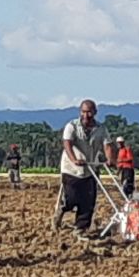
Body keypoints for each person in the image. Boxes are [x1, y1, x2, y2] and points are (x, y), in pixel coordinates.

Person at [54, 100, 113, 241]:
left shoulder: (101, 129)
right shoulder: (72, 126)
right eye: (84, 112)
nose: (86, 115)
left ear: (95, 112)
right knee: (72, 198)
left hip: (90, 168)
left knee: (88, 201)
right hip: (71, 169)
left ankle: (80, 229)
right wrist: (74, 159)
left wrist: (110, 159)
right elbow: (67, 143)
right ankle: (62, 208)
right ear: (80, 112)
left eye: (89, 112)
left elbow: (108, 145)